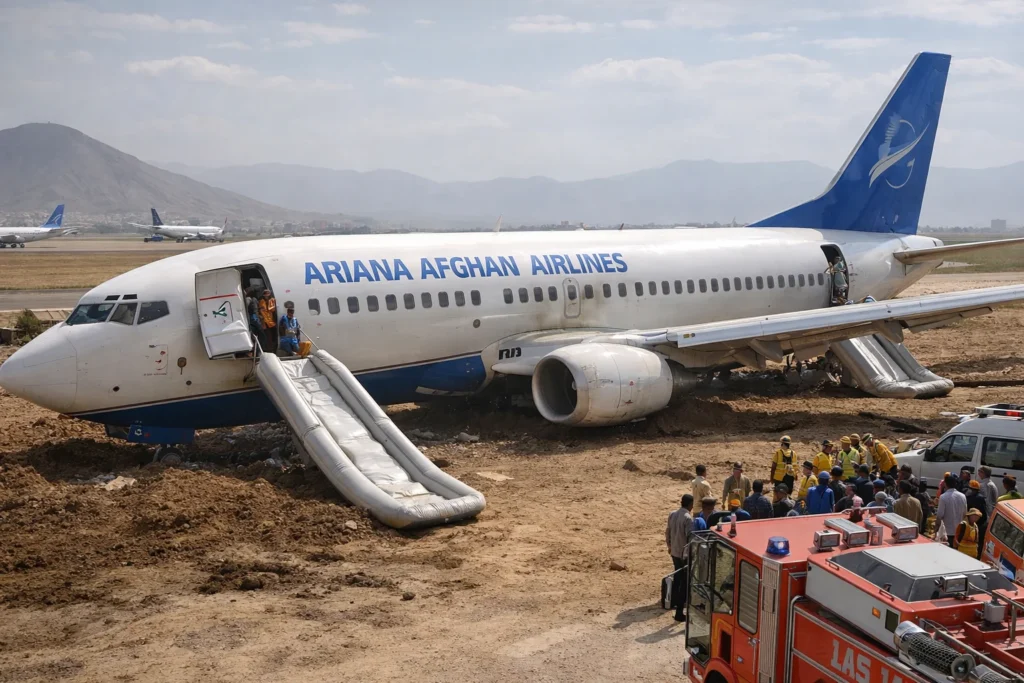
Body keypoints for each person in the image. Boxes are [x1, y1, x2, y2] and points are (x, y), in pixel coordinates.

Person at [666, 494, 696, 621]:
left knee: (677, 579)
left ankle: (672, 602)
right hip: (683, 555)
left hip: (674, 552)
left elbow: (667, 531)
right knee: (683, 583)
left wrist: (669, 545)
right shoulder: (688, 518)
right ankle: (679, 611)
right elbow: (690, 538)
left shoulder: (672, 514)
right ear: (690, 505)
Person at [936, 474, 967, 547]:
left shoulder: (943, 497)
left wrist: (936, 531)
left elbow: (939, 516)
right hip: (959, 532)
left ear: (945, 484)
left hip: (947, 533)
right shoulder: (963, 496)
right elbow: (965, 513)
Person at [965, 480, 989, 559]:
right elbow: (985, 513)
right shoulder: (981, 498)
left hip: (971, 524)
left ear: (971, 489)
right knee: (978, 543)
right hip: (981, 524)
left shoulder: (969, 498)